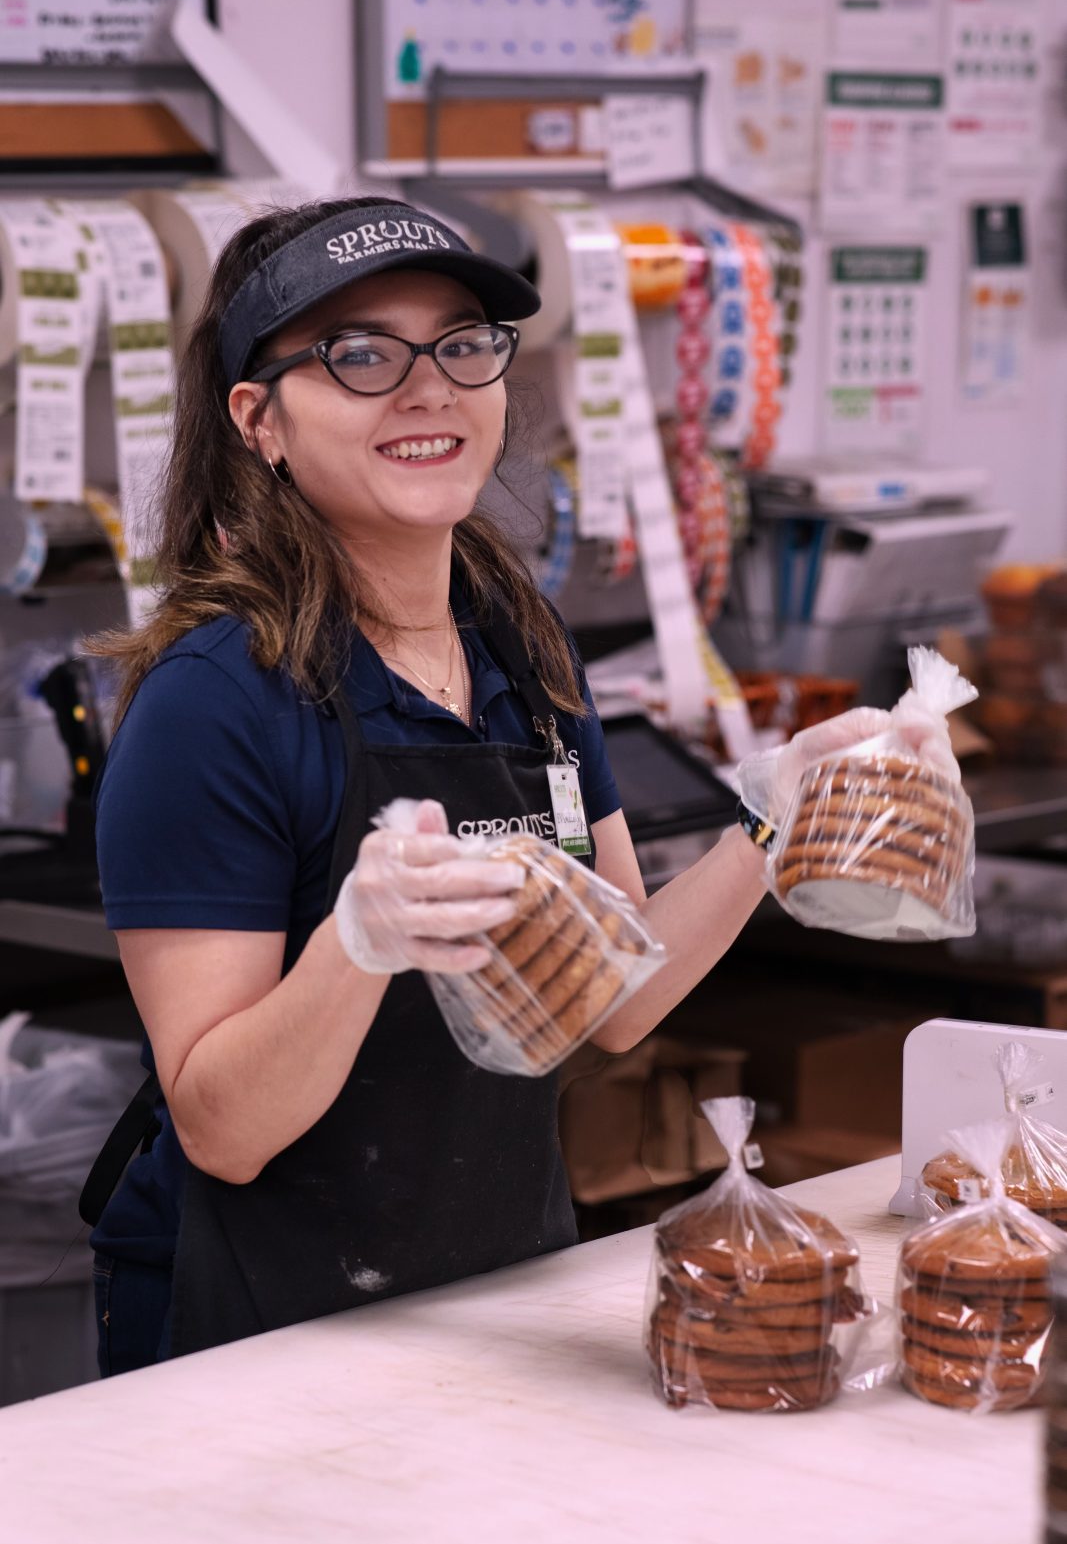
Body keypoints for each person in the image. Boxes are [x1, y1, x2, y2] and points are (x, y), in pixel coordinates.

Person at [87, 195, 887, 1372]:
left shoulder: (517, 637)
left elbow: (613, 997)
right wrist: (356, 945)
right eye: (359, 354)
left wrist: (769, 819)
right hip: (262, 1333)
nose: (429, 388)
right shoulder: (216, 699)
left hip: (499, 1292)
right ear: (258, 419)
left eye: (462, 343)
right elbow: (222, 1129)